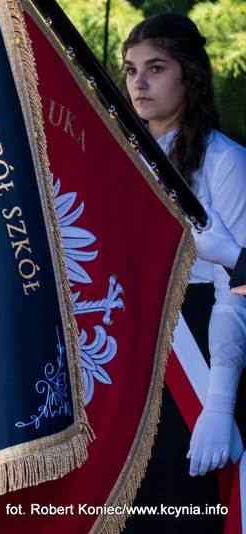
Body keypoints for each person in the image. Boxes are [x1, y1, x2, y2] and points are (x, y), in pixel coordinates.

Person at [122, 12, 246, 530]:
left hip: (196, 347)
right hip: (128, 346)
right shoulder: (118, 157)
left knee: (183, 508)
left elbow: (235, 286)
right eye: (130, 70)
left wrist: (218, 402)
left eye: (156, 68)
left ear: (188, 75)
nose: (139, 83)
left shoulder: (225, 160)